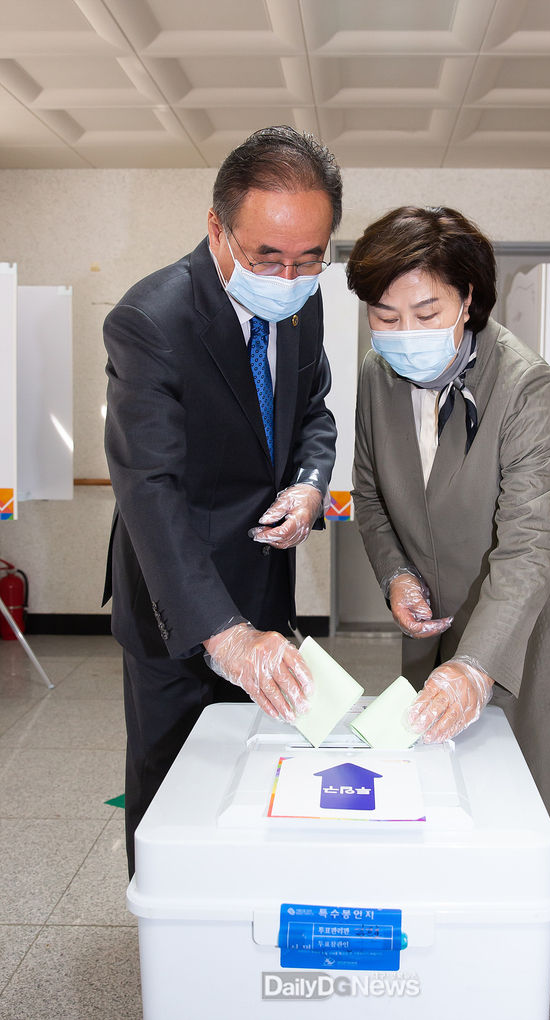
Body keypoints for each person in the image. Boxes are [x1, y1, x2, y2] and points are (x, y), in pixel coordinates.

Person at [347, 205, 550, 849]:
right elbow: (370, 493)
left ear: (468, 298)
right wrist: (395, 573)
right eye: (385, 317)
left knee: (527, 803)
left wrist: (476, 666)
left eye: (426, 314)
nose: (404, 334)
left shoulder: (528, 387)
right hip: (438, 614)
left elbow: (531, 543)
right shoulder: (376, 374)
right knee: (443, 788)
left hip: (530, 618)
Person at [103, 126, 341, 874]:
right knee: (173, 786)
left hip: (264, 585)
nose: (288, 276)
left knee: (255, 773)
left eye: (309, 259)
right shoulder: (151, 320)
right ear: (217, 227)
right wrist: (224, 635)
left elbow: (314, 411)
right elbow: (150, 489)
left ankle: (243, 912)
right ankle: (170, 925)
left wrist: (309, 484)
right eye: (266, 257)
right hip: (177, 602)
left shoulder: (302, 304)